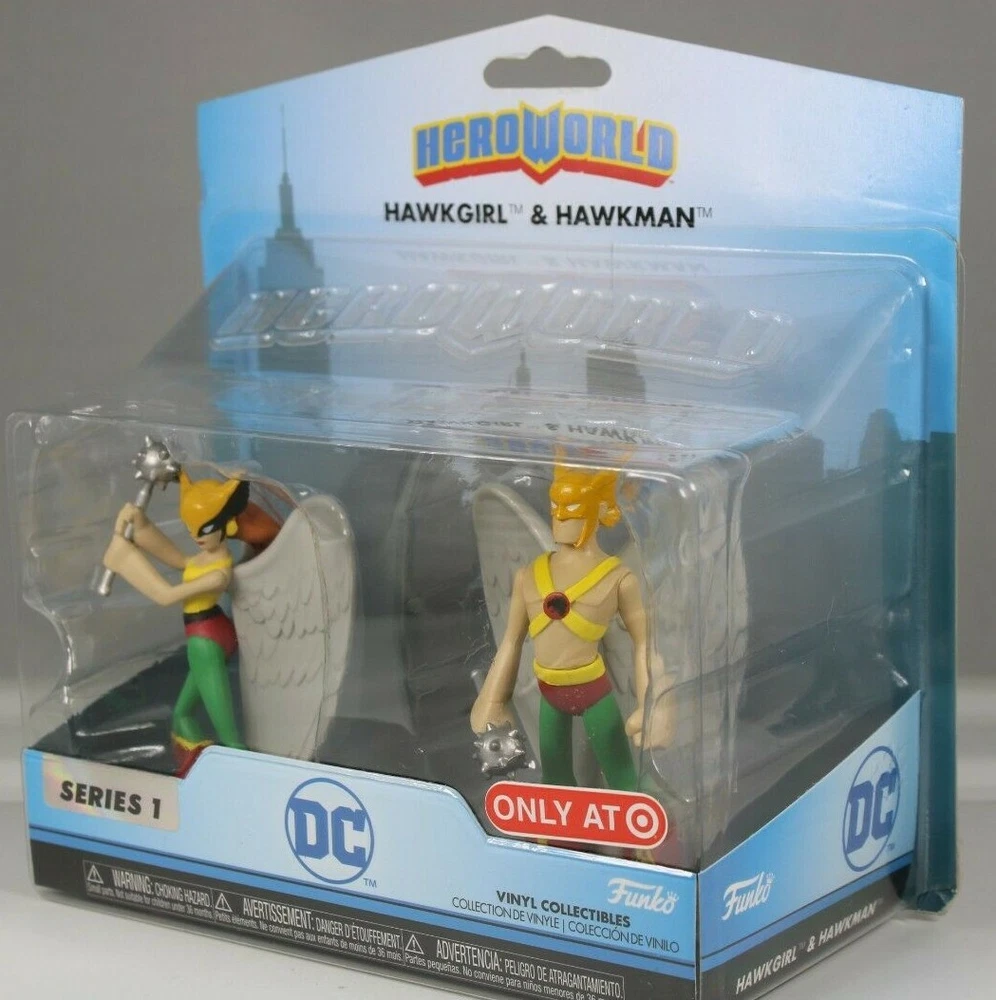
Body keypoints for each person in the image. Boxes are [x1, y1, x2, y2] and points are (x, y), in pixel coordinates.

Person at [101, 472, 280, 774]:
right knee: (182, 716)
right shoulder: (202, 560)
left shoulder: (219, 573)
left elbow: (166, 595)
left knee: (230, 736)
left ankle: (245, 776)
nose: (197, 536)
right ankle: (199, 770)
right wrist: (142, 526)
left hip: (206, 642)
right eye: (191, 528)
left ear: (228, 526)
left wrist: (125, 561)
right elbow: (177, 559)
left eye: (205, 528)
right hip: (207, 635)